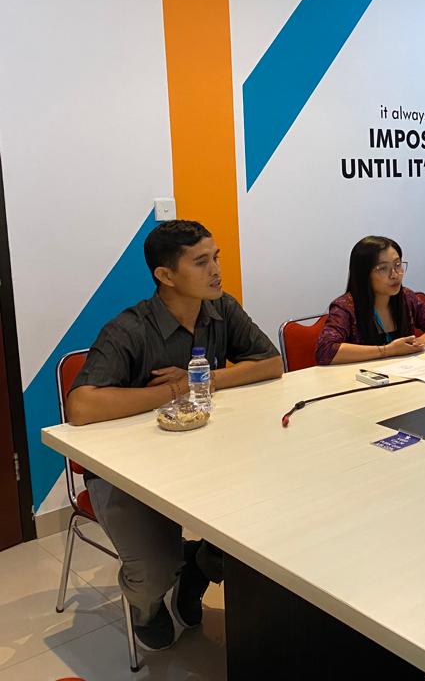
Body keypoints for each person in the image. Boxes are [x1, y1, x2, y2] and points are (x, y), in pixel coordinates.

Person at [67, 220, 283, 652]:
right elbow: (81, 406)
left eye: (216, 257)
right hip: (126, 471)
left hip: (205, 457)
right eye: (201, 262)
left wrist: (200, 379)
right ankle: (147, 607)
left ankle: (198, 568)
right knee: (154, 570)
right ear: (165, 275)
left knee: (260, 530)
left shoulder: (221, 309)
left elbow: (271, 363)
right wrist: (173, 391)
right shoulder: (129, 328)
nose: (216, 270)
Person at [315, 236, 425, 365]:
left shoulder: (406, 297)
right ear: (364, 274)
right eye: (383, 268)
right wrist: (387, 351)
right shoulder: (346, 306)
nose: (394, 275)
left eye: (397, 265)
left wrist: (423, 341)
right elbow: (325, 351)